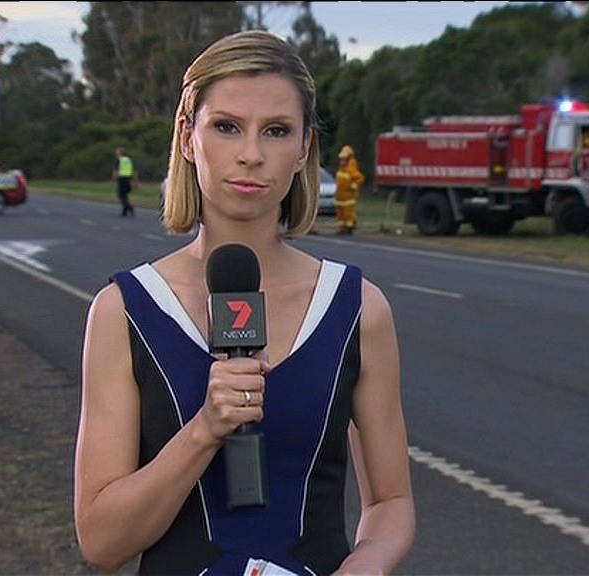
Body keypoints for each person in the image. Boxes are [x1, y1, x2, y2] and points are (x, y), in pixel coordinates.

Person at [75, 30, 415, 576]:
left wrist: (368, 562)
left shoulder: (358, 308)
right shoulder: (123, 311)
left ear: (303, 149)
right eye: (227, 126)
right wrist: (206, 428)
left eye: (276, 131)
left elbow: (391, 501)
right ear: (188, 137)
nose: (251, 155)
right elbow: (103, 543)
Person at [334, 145, 365, 235]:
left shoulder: (351, 169)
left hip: (348, 197)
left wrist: (354, 185)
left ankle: (349, 227)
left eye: (344, 159)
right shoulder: (341, 170)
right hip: (340, 196)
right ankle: (342, 227)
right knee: (340, 213)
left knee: (348, 213)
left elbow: (360, 178)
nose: (342, 161)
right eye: (341, 159)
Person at [113, 147, 136, 217]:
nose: (116, 153)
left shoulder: (119, 160)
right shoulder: (128, 160)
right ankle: (124, 211)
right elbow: (133, 170)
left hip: (122, 178)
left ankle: (129, 207)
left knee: (121, 195)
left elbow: (116, 171)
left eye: (117, 152)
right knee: (125, 195)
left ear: (120, 153)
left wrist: (114, 179)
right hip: (128, 178)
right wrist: (134, 180)